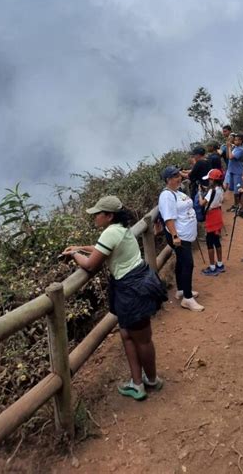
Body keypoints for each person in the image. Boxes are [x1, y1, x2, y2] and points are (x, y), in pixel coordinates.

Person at [62, 195, 166, 400]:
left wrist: (74, 256)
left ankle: (151, 380)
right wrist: (79, 248)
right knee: (127, 334)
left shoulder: (110, 233)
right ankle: (137, 384)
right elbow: (100, 250)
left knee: (142, 339)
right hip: (136, 285)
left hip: (132, 290)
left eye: (97, 214)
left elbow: (91, 264)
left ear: (108, 216)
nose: (95, 218)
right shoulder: (120, 229)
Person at [158, 166, 204, 311]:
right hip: (180, 236)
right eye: (175, 176)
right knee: (188, 264)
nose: (179, 178)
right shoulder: (166, 196)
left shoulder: (176, 192)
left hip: (185, 235)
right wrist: (175, 236)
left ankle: (181, 291)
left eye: (179, 175)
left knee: (181, 262)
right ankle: (188, 299)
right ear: (168, 180)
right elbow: (168, 218)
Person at [198, 169, 225, 276]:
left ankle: (212, 267)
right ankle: (220, 264)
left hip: (211, 216)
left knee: (209, 242)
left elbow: (201, 203)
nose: (208, 181)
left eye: (210, 179)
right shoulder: (221, 189)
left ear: (213, 180)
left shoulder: (211, 191)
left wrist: (200, 193)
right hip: (218, 214)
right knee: (216, 241)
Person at [225, 133, 243, 211]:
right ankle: (236, 205)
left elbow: (231, 157)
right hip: (232, 171)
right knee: (235, 190)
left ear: (241, 141)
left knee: (239, 190)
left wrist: (228, 147)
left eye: (237, 140)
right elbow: (228, 156)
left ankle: (241, 206)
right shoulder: (235, 148)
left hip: (238, 172)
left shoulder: (241, 150)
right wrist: (229, 148)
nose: (235, 141)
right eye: (234, 140)